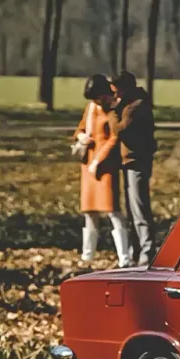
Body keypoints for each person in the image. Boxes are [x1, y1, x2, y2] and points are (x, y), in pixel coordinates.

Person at [72, 74, 131, 267]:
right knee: (89, 211)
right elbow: (80, 129)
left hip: (105, 165)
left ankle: (124, 257)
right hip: (88, 164)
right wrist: (81, 137)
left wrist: (98, 160)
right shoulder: (91, 108)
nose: (96, 102)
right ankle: (87, 255)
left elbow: (114, 138)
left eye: (97, 98)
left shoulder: (113, 110)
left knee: (112, 210)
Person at [110, 70, 158, 266]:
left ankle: (147, 251)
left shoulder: (137, 107)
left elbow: (120, 129)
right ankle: (136, 249)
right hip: (129, 161)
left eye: (117, 91)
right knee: (131, 208)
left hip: (137, 161)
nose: (115, 95)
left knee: (139, 208)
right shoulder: (130, 104)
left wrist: (112, 111)